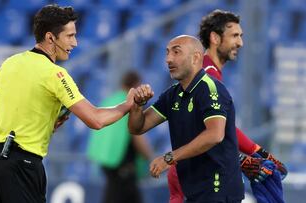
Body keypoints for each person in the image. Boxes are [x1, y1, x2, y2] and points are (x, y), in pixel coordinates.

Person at [0, 4, 138, 203]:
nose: (75, 42)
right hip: (22, 164)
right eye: (69, 36)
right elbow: (95, 120)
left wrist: (46, 124)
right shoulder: (56, 75)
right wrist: (128, 104)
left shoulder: (8, 63)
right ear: (50, 37)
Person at [167, 9, 288, 203]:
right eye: (234, 36)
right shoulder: (206, 75)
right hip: (200, 173)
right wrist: (253, 154)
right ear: (215, 37)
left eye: (240, 36)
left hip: (190, 169)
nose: (240, 43)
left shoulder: (207, 72)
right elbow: (214, 129)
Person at [128, 35, 245, 202]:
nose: (169, 59)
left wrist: (169, 158)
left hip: (218, 189)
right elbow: (137, 127)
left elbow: (215, 135)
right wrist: (138, 106)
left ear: (196, 57)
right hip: (194, 190)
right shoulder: (173, 94)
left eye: (176, 52)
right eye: (167, 53)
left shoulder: (210, 89)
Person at [87, 70, 154, 203]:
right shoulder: (130, 103)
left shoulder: (110, 100)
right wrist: (150, 156)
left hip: (107, 160)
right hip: (123, 166)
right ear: (135, 85)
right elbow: (136, 136)